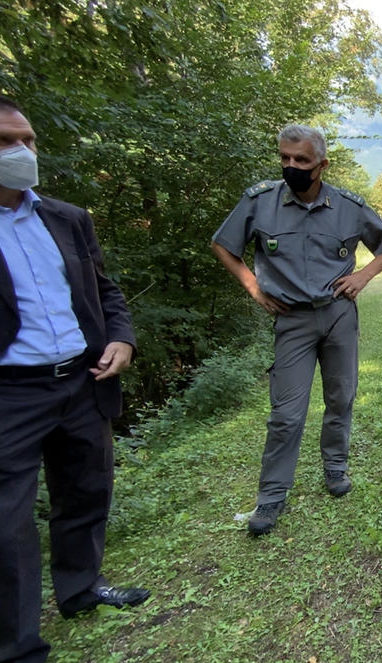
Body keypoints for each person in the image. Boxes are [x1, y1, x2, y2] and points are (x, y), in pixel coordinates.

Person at [0, 96, 150, 663]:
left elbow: (105, 291)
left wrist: (122, 338)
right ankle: (18, 648)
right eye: (4, 141)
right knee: (7, 524)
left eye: (27, 139)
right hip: (11, 392)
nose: (20, 151)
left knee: (85, 491)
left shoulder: (65, 217)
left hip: (83, 381)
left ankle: (80, 590)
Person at [211, 124, 382, 536]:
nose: (291, 166)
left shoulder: (349, 206)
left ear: (321, 164)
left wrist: (363, 276)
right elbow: (223, 245)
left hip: (338, 314)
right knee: (286, 412)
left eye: (301, 160)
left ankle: (335, 468)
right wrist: (253, 287)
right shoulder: (260, 202)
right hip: (292, 319)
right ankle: (271, 498)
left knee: (341, 397)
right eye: (285, 158)